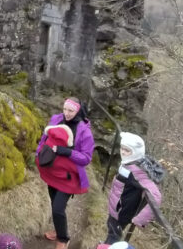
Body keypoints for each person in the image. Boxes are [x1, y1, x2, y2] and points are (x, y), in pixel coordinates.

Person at [35, 97, 95, 249]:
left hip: (68, 177)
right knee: (54, 203)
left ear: (78, 111)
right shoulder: (56, 119)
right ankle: (59, 228)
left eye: (71, 111)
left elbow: (86, 158)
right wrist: (39, 153)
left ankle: (63, 238)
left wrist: (67, 152)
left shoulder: (84, 132)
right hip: (52, 172)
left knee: (57, 208)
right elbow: (44, 137)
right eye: (65, 109)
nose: (67, 114)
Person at [103, 132, 163, 245]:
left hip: (122, 212)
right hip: (116, 208)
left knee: (114, 235)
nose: (123, 152)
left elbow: (156, 196)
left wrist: (140, 219)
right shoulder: (128, 163)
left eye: (127, 150)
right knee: (111, 229)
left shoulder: (137, 171)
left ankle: (107, 246)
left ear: (136, 153)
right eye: (122, 148)